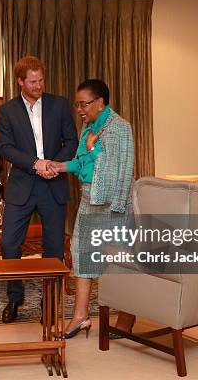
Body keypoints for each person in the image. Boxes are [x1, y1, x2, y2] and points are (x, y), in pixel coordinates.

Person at [47, 79, 135, 338]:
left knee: (117, 262)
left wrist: (93, 148)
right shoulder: (88, 126)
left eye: (84, 104)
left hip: (112, 205)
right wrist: (59, 166)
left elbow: (117, 170)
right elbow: (81, 162)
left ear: (100, 102)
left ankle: (127, 317)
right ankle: (81, 316)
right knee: (81, 254)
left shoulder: (119, 128)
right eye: (77, 105)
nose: (80, 110)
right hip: (89, 200)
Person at [0, 56, 78, 323]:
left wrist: (54, 164)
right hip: (22, 186)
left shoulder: (59, 105)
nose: (38, 85)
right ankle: (15, 297)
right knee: (9, 244)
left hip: (53, 184)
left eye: (41, 80)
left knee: (53, 247)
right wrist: (35, 163)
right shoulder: (7, 111)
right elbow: (6, 148)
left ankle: (49, 300)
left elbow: (71, 140)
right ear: (20, 81)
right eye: (32, 81)